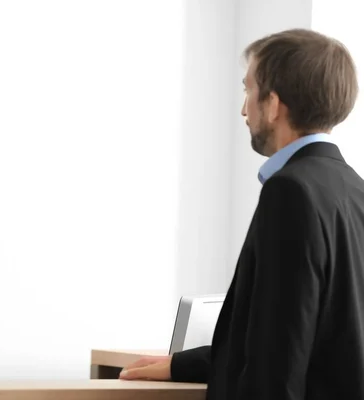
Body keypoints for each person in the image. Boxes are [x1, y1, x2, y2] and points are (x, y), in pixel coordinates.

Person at [120, 28, 364, 399]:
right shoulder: (354, 189)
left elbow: (277, 365)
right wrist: (180, 364)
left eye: (248, 90)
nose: (243, 108)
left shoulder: (291, 192)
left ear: (274, 103)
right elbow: (318, 341)